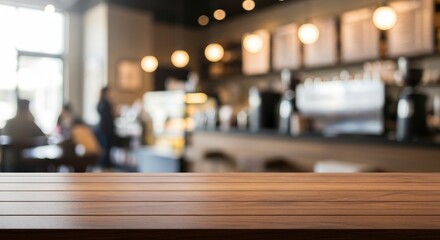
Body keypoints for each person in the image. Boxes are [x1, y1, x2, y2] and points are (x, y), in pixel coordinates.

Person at [97, 87, 117, 168]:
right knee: (107, 148)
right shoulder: (106, 103)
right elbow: (110, 116)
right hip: (107, 129)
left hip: (102, 128)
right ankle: (106, 164)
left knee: (104, 147)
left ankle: (104, 163)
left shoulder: (100, 103)